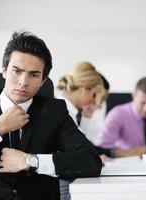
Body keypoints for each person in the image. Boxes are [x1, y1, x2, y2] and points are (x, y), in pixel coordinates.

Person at [0, 31, 102, 200]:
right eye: (17, 71)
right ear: (4, 70)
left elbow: (91, 161)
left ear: (43, 80)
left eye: (34, 75)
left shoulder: (55, 111)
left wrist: (30, 161)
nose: (23, 81)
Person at [55, 61, 106, 200]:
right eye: (94, 95)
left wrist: (87, 118)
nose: (93, 101)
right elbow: (82, 154)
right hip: (61, 179)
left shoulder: (71, 110)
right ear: (84, 89)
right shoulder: (62, 109)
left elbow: (87, 145)